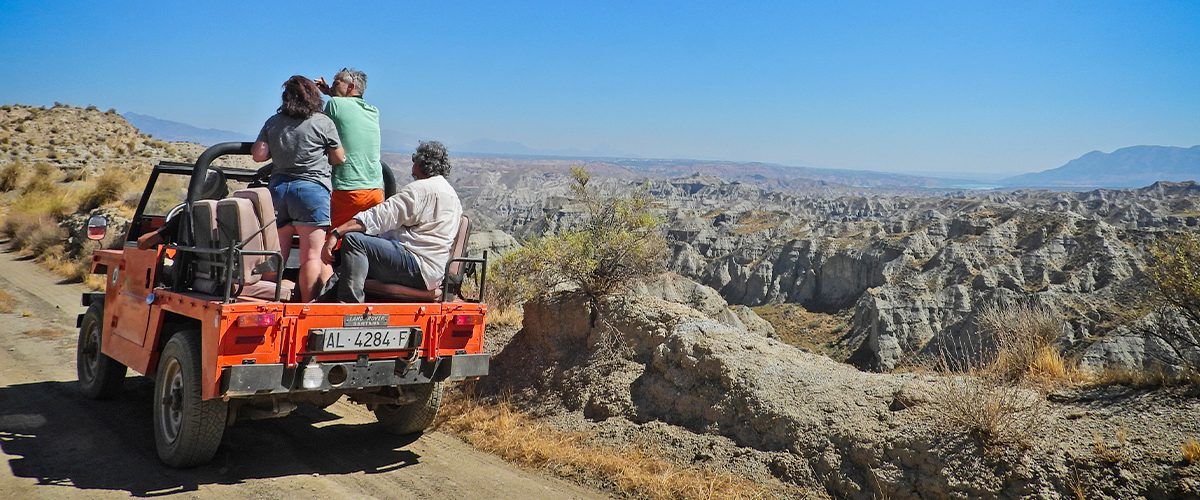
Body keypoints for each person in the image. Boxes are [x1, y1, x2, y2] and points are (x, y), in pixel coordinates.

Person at [320, 141, 462, 303]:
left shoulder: (422, 190)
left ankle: (349, 307)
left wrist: (337, 232)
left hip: (416, 265)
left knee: (354, 241)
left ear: (422, 164)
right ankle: (321, 303)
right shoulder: (452, 196)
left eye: (414, 161)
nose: (412, 168)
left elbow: (379, 217)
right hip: (433, 272)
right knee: (348, 265)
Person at [252, 75, 345, 302]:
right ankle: (307, 305)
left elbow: (258, 155)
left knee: (276, 254)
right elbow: (339, 157)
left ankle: (269, 300)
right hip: (312, 192)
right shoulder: (323, 122)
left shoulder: (273, 122)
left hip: (278, 191)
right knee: (311, 257)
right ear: (314, 97)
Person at [315, 68, 384, 228]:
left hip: (348, 189)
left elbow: (319, 133)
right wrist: (332, 92)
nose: (331, 86)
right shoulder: (373, 111)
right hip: (375, 189)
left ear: (351, 86)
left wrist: (330, 95)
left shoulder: (334, 104)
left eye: (336, 82)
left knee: (331, 244)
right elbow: (349, 110)